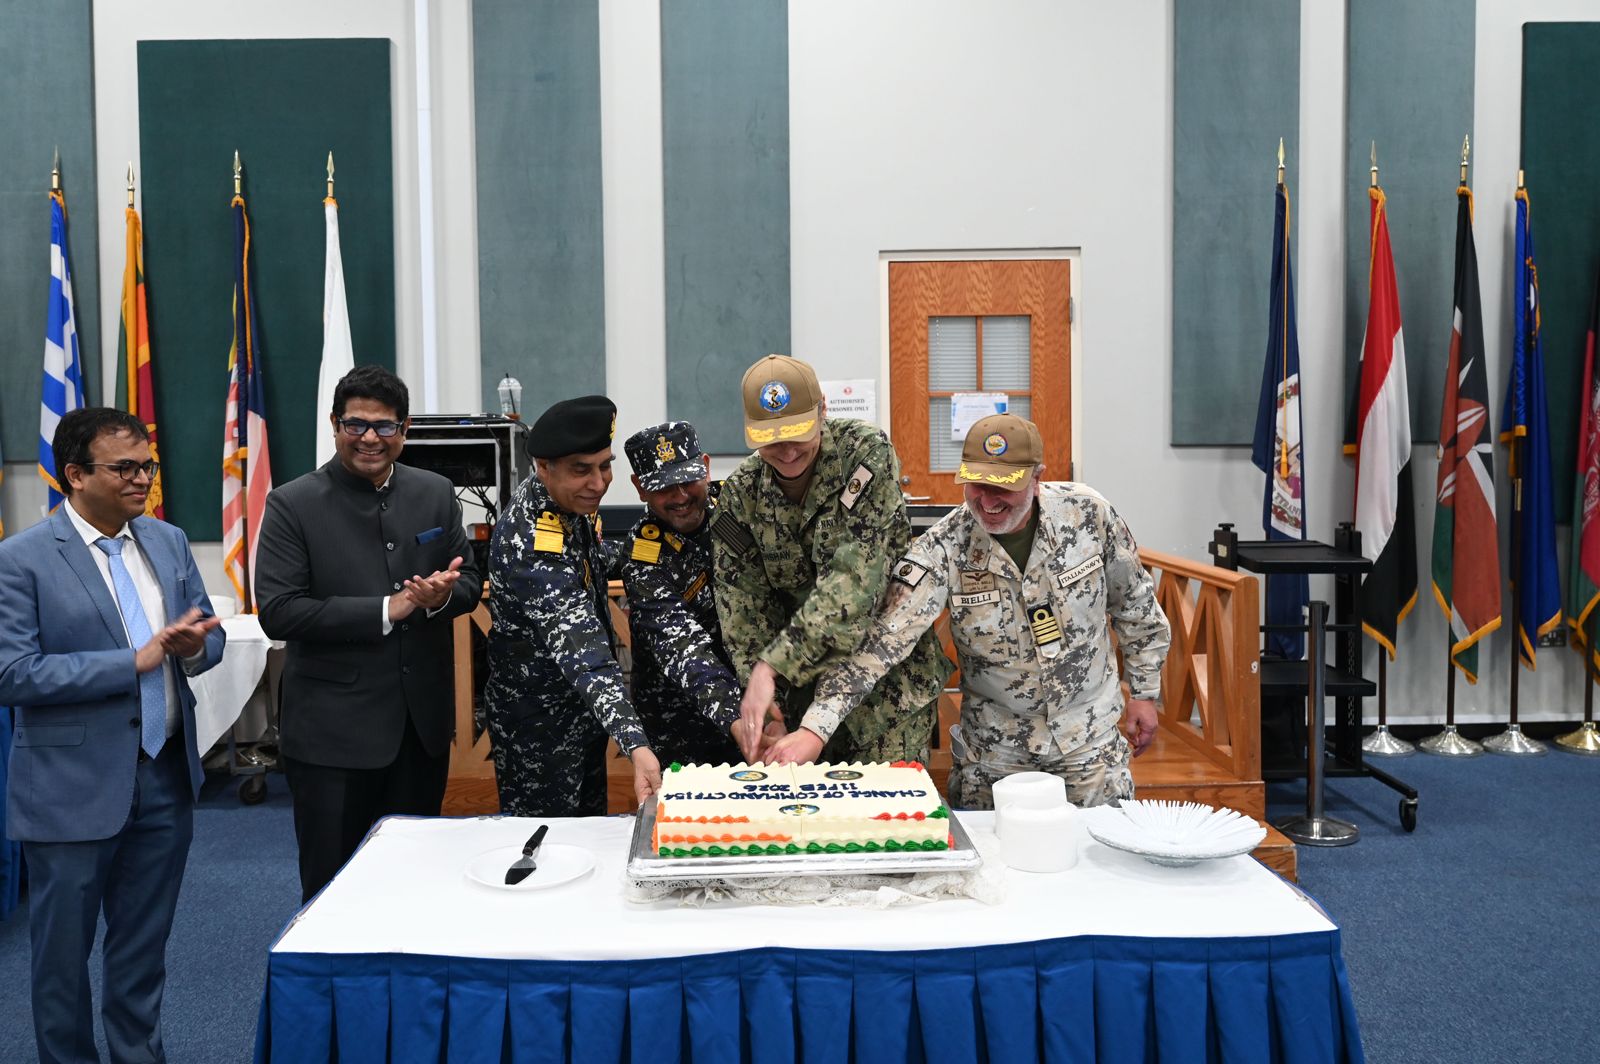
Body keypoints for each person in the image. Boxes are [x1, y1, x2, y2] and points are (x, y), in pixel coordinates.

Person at [0, 407, 224, 1062]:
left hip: (164, 778)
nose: (142, 479)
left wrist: (191, 648)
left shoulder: (168, 541)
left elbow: (206, 639)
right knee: (61, 960)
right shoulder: (20, 560)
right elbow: (13, 674)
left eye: (146, 466)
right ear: (75, 474)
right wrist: (132, 662)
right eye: (124, 468)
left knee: (142, 949)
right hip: (70, 790)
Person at [800, 413, 1171, 808]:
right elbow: (880, 643)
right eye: (977, 485)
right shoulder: (943, 548)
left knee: (1100, 845)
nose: (989, 501)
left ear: (1037, 477)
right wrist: (814, 729)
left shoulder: (1088, 516)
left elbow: (1136, 605)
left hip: (1089, 742)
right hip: (996, 753)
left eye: (1004, 487)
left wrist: (1144, 693)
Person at [256, 364, 479, 902]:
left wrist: (439, 598)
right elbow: (279, 612)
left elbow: (469, 582)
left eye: (384, 426)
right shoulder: (291, 503)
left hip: (420, 732)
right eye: (356, 425)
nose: (370, 438)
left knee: (415, 886)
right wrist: (387, 608)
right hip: (333, 738)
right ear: (335, 425)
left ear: (405, 429)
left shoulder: (435, 492)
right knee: (333, 892)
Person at [713, 354, 950, 765]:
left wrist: (771, 667)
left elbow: (853, 587)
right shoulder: (740, 495)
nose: (787, 451)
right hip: (799, 711)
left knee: (888, 806)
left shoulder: (865, 455)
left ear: (822, 408)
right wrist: (770, 713)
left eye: (797, 433)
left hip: (885, 702)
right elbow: (744, 615)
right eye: (771, 440)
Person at [484, 395, 662, 815]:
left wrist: (656, 549)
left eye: (605, 466)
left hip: (584, 713)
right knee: (548, 844)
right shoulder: (531, 537)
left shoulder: (567, 503)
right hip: (540, 731)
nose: (598, 483)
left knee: (589, 836)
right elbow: (584, 649)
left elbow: (590, 561)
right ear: (543, 467)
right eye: (582, 470)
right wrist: (636, 744)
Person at [619, 421, 742, 765]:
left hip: (754, 702)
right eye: (663, 487)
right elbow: (681, 645)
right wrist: (741, 719)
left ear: (706, 467)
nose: (680, 497)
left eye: (687, 480)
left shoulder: (737, 508)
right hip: (678, 724)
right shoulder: (643, 554)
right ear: (640, 488)